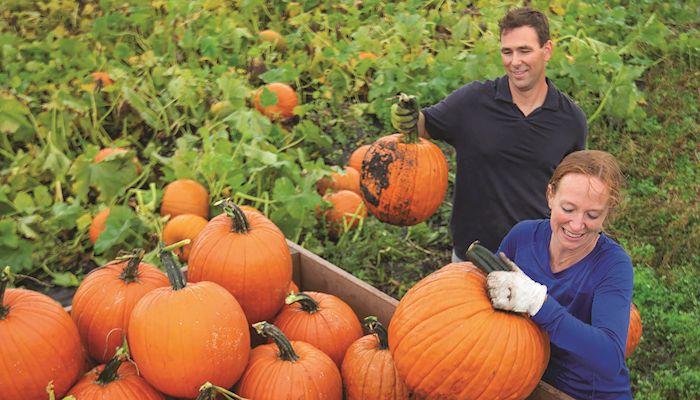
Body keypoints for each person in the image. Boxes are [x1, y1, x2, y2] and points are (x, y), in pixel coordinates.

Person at [391, 7, 587, 260]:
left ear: (547, 50)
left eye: (524, 50)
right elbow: (425, 125)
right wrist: (408, 117)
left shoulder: (570, 120)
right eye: (507, 52)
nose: (515, 61)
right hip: (472, 255)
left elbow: (571, 193)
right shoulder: (473, 102)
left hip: (533, 260)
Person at [487, 149, 633, 399]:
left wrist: (538, 303)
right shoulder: (522, 237)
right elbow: (483, 310)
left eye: (592, 215)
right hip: (521, 381)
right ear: (550, 196)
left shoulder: (613, 265)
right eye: (568, 208)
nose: (577, 225)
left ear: (607, 212)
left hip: (584, 394)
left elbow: (610, 359)